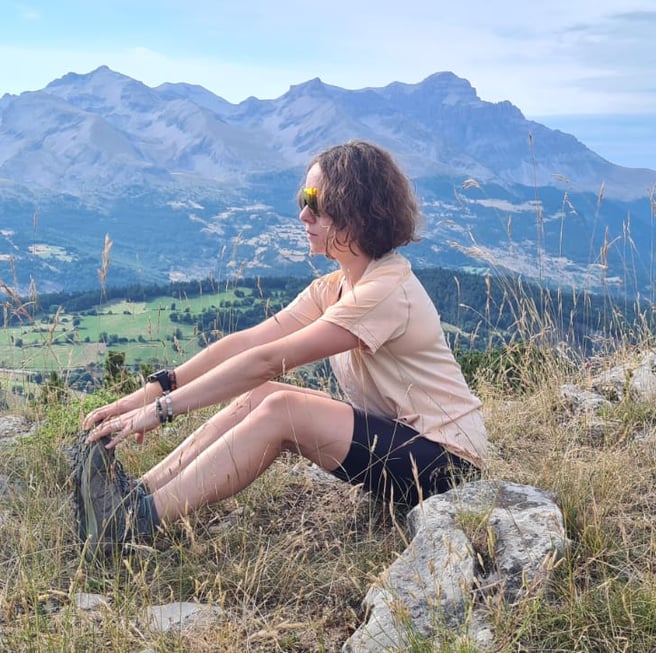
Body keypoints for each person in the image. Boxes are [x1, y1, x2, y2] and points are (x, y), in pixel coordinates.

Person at [76, 140, 488, 561]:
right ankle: (137, 494)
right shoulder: (337, 287)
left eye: (316, 203)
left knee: (282, 408)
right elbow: (250, 341)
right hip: (403, 444)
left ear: (357, 213)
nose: (303, 214)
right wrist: (153, 391)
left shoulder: (384, 291)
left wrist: (162, 411)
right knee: (262, 395)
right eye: (303, 199)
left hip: (448, 466)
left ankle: (132, 523)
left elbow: (269, 360)